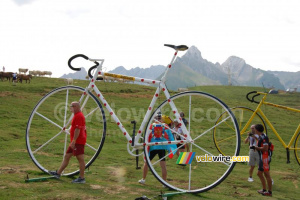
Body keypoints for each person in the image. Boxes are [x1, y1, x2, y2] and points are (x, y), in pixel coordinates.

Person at [49, 102, 87, 183]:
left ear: (76, 107)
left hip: (78, 141)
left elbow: (78, 129)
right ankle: (58, 173)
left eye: (71, 106)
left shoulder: (79, 116)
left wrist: (74, 141)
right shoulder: (76, 115)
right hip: (75, 141)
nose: (70, 108)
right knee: (67, 156)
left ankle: (81, 178)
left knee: (80, 159)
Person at [138, 121, 176, 185]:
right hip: (162, 147)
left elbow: (147, 136)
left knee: (146, 163)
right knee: (163, 165)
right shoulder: (165, 126)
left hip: (153, 147)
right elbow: (170, 136)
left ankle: (143, 179)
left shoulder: (151, 126)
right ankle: (164, 182)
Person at [254, 124, 273, 196]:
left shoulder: (264, 137)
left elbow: (265, 148)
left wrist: (255, 148)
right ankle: (264, 189)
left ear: (257, 130)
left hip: (265, 157)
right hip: (262, 157)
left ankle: (269, 192)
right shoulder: (261, 136)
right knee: (259, 173)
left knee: (267, 174)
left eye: (254, 129)